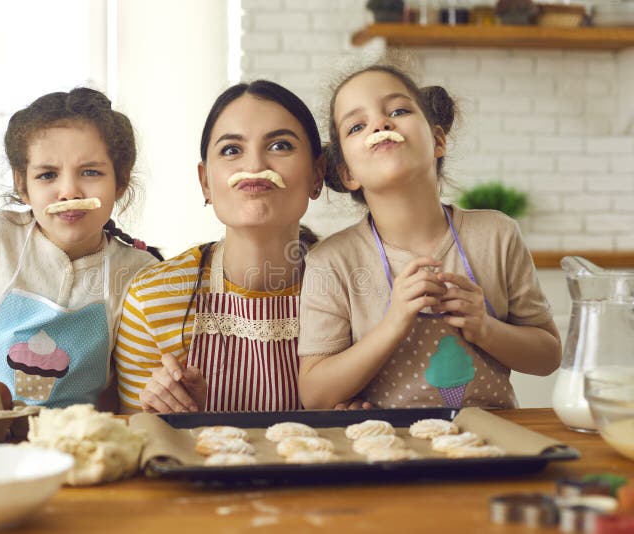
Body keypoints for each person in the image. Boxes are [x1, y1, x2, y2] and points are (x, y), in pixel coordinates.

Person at [298, 64, 561, 410]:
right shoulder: (331, 261)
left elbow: (548, 357)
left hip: (492, 443)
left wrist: (484, 327)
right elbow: (315, 394)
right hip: (387, 448)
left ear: (437, 141)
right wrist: (393, 324)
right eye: (357, 126)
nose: (381, 124)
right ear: (348, 173)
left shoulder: (498, 235)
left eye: (398, 110)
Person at [0, 88, 162, 408]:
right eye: (47, 175)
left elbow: (125, 389)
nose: (68, 190)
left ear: (120, 182)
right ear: (22, 185)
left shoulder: (138, 273)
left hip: (69, 448)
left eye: (91, 172)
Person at [113, 80, 346, 414]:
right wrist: (164, 418)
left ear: (317, 174)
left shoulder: (352, 287)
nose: (255, 166)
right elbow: (142, 449)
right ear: (205, 182)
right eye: (231, 150)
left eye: (280, 146)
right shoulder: (153, 299)